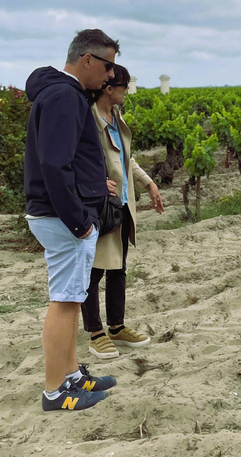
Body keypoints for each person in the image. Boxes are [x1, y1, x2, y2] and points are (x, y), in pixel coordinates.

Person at [25, 29, 120, 411]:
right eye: (108, 66)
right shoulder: (65, 96)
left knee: (71, 297)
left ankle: (70, 376)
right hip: (62, 217)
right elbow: (53, 163)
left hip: (59, 213)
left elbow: (67, 160)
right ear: (87, 60)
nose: (111, 75)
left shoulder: (62, 94)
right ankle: (55, 392)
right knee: (65, 301)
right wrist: (79, 220)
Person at [81, 64, 164, 359]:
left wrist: (149, 184)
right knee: (93, 272)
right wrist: (92, 184)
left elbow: (127, 160)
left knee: (118, 268)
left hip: (122, 204)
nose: (127, 91)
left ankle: (116, 326)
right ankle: (95, 333)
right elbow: (76, 159)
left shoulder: (116, 117)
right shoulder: (88, 118)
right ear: (109, 89)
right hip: (100, 205)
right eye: (124, 86)